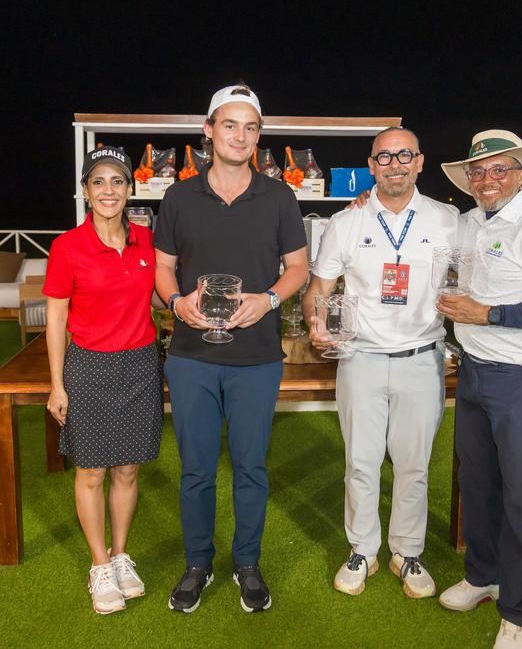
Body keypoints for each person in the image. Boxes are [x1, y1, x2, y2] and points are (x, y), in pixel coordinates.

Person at [154, 84, 308, 614]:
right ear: (209, 131)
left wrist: (267, 301)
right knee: (196, 469)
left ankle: (247, 563)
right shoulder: (178, 196)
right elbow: (163, 268)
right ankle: (198, 563)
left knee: (250, 468)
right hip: (193, 355)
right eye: (229, 125)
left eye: (250, 127)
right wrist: (176, 303)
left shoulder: (280, 196)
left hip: (256, 358)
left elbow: (298, 269)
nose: (239, 136)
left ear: (258, 137)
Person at [436, 130, 522, 649]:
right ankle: (482, 576)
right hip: (474, 369)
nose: (487, 179)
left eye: (499, 169)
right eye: (478, 171)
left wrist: (488, 312)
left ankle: (518, 611)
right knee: (477, 484)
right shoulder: (470, 221)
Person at [302, 127, 459, 598]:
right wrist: (315, 322)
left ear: (420, 161)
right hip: (361, 358)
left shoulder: (448, 219)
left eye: (403, 155)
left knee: (414, 463)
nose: (394, 164)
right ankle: (362, 549)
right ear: (371, 167)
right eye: (384, 157)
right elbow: (319, 291)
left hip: (421, 358)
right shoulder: (345, 223)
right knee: (361, 462)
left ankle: (406, 552)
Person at [44, 146, 164, 614]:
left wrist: (188, 304)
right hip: (89, 367)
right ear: (85, 191)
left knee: (128, 467)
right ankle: (99, 565)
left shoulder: (145, 241)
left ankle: (120, 554)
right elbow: (56, 319)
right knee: (92, 470)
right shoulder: (67, 247)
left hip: (139, 364)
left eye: (117, 181)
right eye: (98, 182)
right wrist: (57, 383)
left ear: (130, 188)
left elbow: (155, 298)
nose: (108, 190)